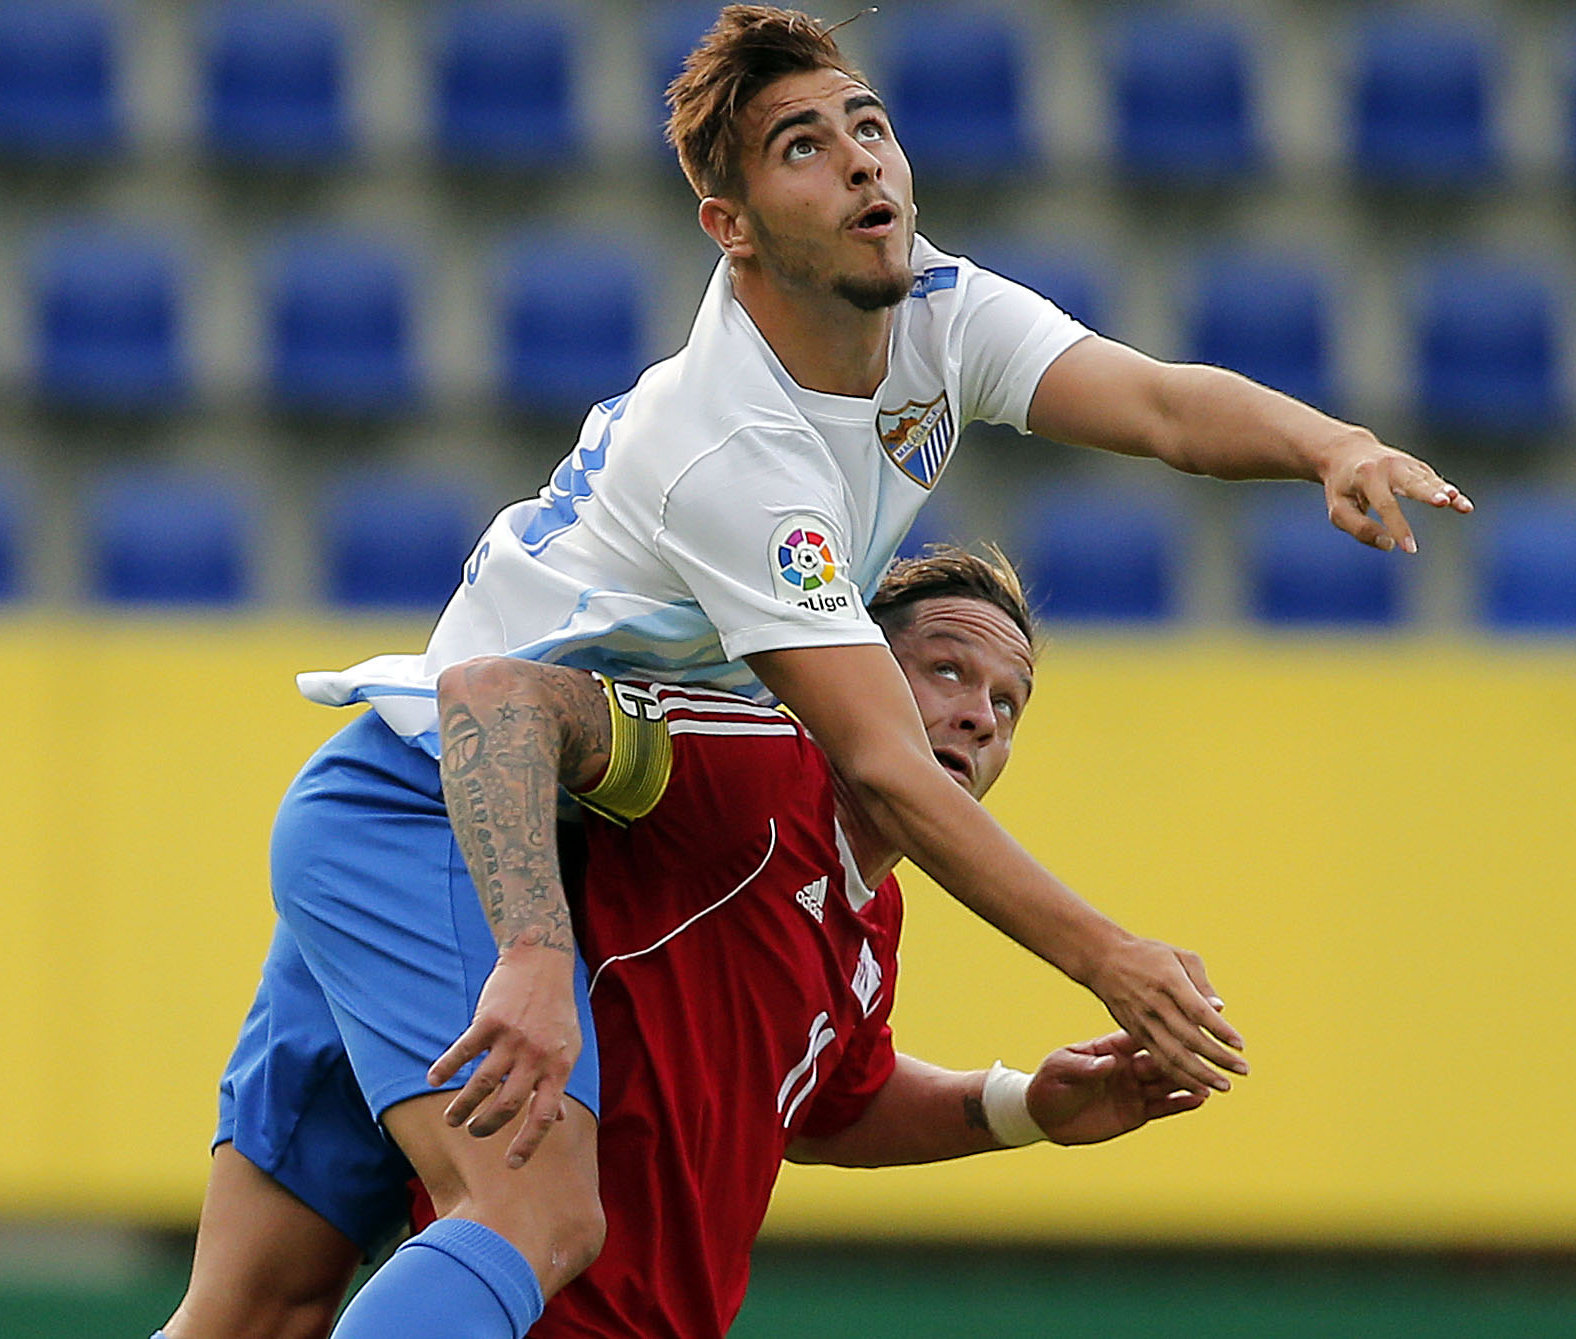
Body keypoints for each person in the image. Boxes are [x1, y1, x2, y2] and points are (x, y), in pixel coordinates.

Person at [161, 3, 1466, 1339]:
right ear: (732, 224)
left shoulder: (941, 316)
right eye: (804, 143)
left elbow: (1165, 405)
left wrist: (1330, 444)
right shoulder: (731, 450)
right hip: (444, 798)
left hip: (465, 790)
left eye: (871, 126)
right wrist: (1107, 954)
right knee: (538, 1212)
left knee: (259, 1305)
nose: (862, 161)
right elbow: (884, 760)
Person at [444, 545, 1198, 1338]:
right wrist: (531, 950)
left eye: (1008, 705)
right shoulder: (762, 770)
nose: (981, 715)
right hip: (527, 1306)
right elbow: (501, 698)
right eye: (947, 670)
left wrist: (1024, 1108)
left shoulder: (877, 913)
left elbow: (834, 1107)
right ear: (858, 676)